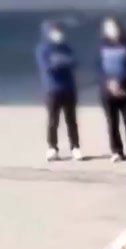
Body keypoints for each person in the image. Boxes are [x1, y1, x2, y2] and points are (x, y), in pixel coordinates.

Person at [37, 21, 82, 162]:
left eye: (59, 31)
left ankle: (75, 147)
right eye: (54, 31)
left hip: (69, 88)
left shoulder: (67, 48)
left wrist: (61, 63)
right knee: (53, 120)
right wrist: (63, 63)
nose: (58, 34)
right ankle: (52, 148)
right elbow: (48, 67)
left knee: (71, 121)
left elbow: (74, 63)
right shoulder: (43, 49)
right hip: (52, 89)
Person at [98, 16, 126, 161]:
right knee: (112, 122)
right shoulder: (101, 46)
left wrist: (120, 82)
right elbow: (97, 67)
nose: (112, 31)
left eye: (114, 27)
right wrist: (109, 82)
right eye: (109, 28)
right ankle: (117, 150)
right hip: (107, 90)